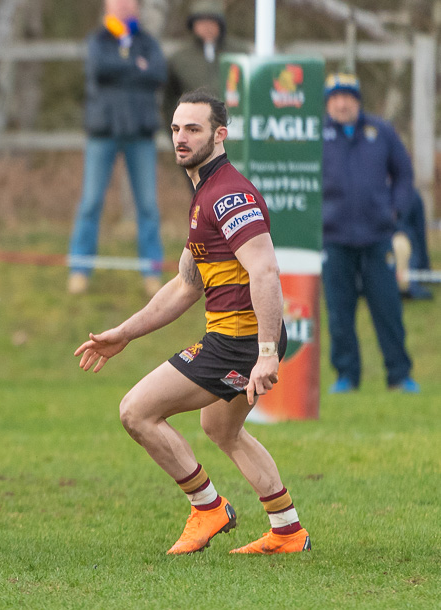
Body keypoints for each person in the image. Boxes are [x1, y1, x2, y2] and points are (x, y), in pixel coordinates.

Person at [76, 91, 309, 556]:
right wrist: (124, 332)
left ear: (220, 135)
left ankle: (208, 508)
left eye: (194, 129)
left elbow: (264, 270)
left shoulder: (228, 195)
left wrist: (265, 353)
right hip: (236, 338)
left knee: (136, 411)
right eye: (177, 129)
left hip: (240, 342)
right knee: (222, 429)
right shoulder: (204, 192)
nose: (181, 139)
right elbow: (185, 286)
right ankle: (287, 530)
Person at [319, 73, 418, 394]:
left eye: (347, 96)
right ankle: (347, 376)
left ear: (358, 100)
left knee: (388, 309)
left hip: (377, 238)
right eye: (334, 97)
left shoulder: (382, 132)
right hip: (333, 240)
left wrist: (395, 210)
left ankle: (399, 376)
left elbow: (404, 174)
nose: (341, 103)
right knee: (339, 313)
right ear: (327, 103)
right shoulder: (316, 136)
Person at [67, 0, 167, 297]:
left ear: (136, 7)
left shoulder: (148, 42)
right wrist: (136, 68)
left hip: (140, 133)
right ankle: (79, 270)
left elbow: (157, 75)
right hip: (104, 131)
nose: (123, 6)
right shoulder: (97, 41)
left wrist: (124, 71)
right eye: (117, 2)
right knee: (90, 202)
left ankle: (152, 272)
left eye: (128, 2)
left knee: (147, 206)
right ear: (107, 7)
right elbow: (99, 69)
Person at [162, 0, 245, 130]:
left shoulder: (239, 54)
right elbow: (169, 100)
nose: (207, 27)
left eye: (212, 22)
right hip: (194, 128)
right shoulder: (179, 58)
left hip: (234, 126)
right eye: (201, 22)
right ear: (193, 25)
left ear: (220, 24)